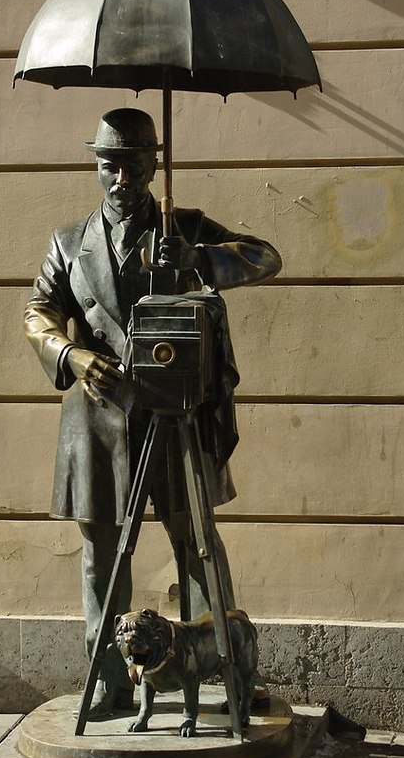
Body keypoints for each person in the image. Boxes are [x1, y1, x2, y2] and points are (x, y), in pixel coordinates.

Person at [24, 108, 282, 718]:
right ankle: (110, 680)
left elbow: (265, 257)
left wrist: (196, 259)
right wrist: (71, 354)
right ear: (96, 164)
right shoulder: (68, 242)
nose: (121, 176)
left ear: (153, 164)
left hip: (175, 414)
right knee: (102, 554)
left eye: (135, 163)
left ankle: (220, 671)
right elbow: (38, 311)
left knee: (197, 543)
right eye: (110, 163)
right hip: (99, 417)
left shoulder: (183, 225)